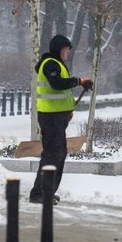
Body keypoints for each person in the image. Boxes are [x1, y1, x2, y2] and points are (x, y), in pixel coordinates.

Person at [29, 34, 93, 204]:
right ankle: (38, 193)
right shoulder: (50, 64)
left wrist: (67, 110)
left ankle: (47, 191)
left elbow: (61, 92)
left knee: (58, 153)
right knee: (52, 154)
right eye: (66, 49)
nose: (67, 53)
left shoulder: (57, 64)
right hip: (51, 118)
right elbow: (57, 84)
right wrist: (78, 81)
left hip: (57, 116)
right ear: (59, 49)